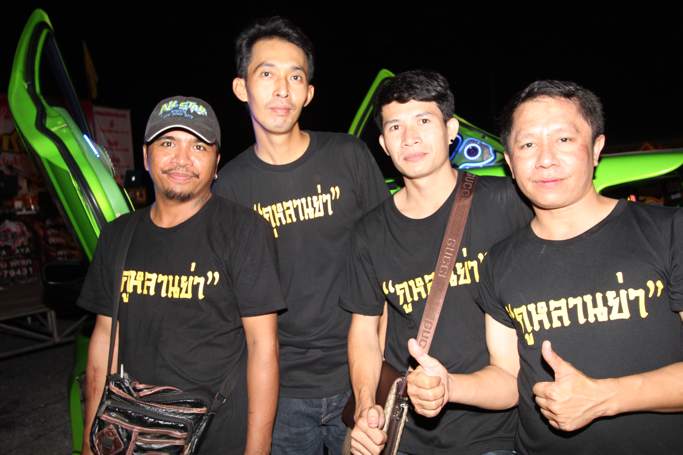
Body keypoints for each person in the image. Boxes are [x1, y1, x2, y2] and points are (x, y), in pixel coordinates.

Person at [415, 79, 683, 454]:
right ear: (510, 163)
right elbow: (507, 377)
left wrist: (605, 396)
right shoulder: (499, 263)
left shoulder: (670, 231)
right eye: (527, 144)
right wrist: (450, 386)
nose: (545, 159)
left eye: (564, 139)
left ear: (596, 149)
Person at [213, 17, 388, 455]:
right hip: (281, 391)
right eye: (266, 74)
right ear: (241, 88)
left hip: (362, 377)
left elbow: (390, 260)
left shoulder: (348, 156)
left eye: (295, 77)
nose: (282, 90)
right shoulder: (229, 187)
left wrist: (380, 374)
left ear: (309, 92)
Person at [79, 96, 284, 455]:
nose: (182, 159)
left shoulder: (245, 231)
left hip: (217, 435)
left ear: (216, 163)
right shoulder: (117, 235)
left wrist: (258, 448)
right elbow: (104, 341)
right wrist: (90, 438)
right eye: (168, 143)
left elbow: (263, 348)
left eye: (199, 146)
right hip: (133, 432)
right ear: (146, 156)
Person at [342, 70, 531, 455]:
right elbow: (364, 331)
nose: (409, 137)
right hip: (407, 432)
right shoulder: (369, 232)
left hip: (496, 432)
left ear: (451, 130)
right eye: (395, 127)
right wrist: (365, 407)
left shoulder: (507, 203)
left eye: (424, 121)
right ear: (383, 144)